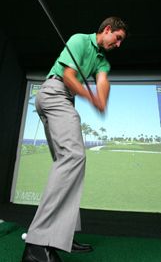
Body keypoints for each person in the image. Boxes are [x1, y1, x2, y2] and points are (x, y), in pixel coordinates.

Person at [21, 16, 128, 262]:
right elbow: (69, 76)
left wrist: (102, 98)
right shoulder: (79, 40)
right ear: (108, 30)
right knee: (73, 157)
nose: (118, 44)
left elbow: (102, 82)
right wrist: (91, 99)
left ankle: (62, 236)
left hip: (63, 98)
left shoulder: (102, 60)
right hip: (55, 91)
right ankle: (38, 245)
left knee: (68, 162)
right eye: (118, 38)